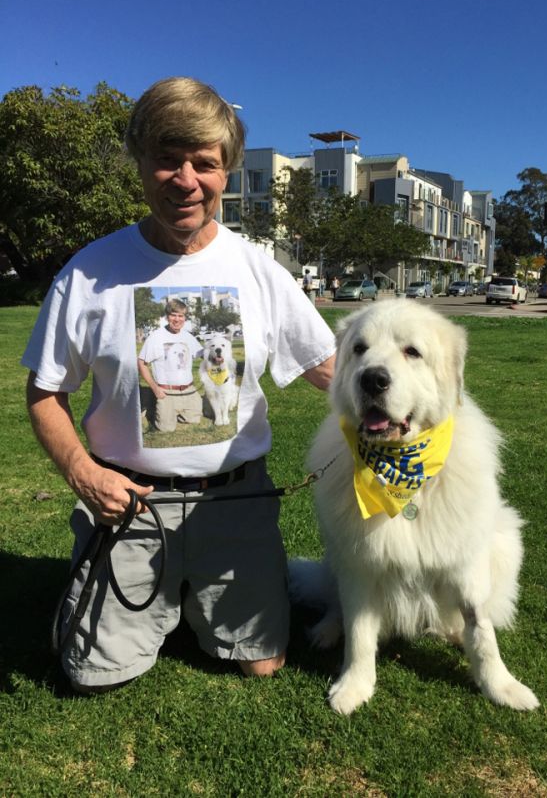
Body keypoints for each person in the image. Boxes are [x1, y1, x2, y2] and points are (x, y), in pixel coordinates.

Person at [23, 76, 336, 691]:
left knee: (264, 664)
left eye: (204, 163)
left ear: (227, 171)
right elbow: (44, 393)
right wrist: (85, 476)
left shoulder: (258, 270)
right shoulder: (90, 273)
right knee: (92, 675)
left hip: (235, 502)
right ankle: (125, 596)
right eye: (167, 160)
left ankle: (191, 597)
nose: (185, 179)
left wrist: (409, 409)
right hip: (131, 506)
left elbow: (329, 368)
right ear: (139, 163)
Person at [138, 298, 203, 432]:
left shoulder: (189, 337)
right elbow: (141, 363)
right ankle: (151, 404)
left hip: (188, 389)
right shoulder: (155, 337)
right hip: (166, 391)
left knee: (194, 419)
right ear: (167, 317)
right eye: (173, 315)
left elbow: (204, 355)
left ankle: (173, 411)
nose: (177, 319)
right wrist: (156, 389)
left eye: (181, 316)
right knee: (166, 428)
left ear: (184, 318)